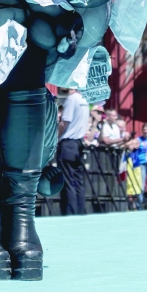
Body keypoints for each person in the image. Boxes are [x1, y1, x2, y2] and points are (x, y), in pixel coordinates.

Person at [58, 87, 89, 216]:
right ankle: (80, 212)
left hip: (68, 143)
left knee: (68, 181)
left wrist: (55, 138)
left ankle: (70, 214)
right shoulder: (85, 100)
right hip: (79, 143)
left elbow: (64, 123)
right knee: (78, 181)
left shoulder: (71, 99)